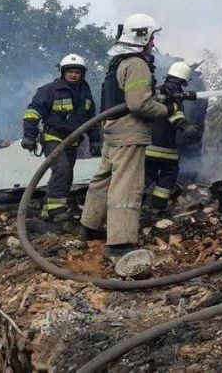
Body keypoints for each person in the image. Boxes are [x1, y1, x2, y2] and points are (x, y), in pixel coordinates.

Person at [79, 13, 180, 259]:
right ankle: (120, 242)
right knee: (126, 185)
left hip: (112, 129)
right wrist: (165, 109)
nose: (153, 44)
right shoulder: (137, 63)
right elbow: (138, 104)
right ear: (142, 37)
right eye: (152, 38)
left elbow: (128, 96)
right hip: (129, 133)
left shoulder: (118, 61)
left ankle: (90, 226)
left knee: (103, 179)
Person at [21, 54, 101, 221]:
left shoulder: (86, 95)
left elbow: (92, 120)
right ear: (63, 72)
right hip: (53, 137)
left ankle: (47, 208)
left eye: (77, 72)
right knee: (62, 168)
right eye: (70, 72)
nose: (73, 75)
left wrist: (95, 140)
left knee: (65, 173)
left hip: (73, 141)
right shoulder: (49, 90)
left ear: (82, 74)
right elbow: (32, 112)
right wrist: (29, 135)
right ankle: (56, 210)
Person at [144, 61, 199, 210]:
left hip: (148, 146)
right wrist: (185, 126)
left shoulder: (160, 89)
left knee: (146, 175)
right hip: (165, 147)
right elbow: (174, 112)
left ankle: (135, 204)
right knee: (169, 174)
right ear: (184, 78)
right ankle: (157, 208)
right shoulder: (173, 91)